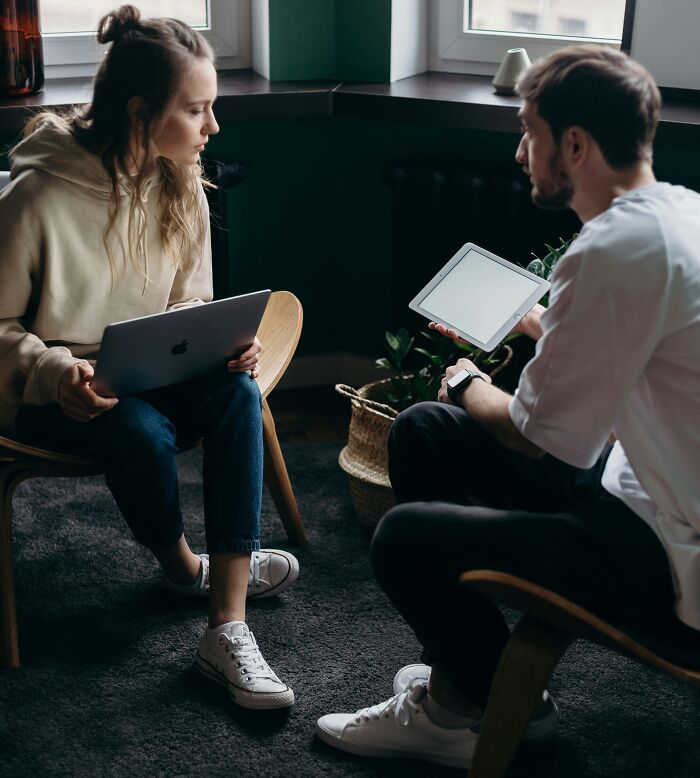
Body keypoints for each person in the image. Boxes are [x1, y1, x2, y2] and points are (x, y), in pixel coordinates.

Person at [317, 44, 700, 768]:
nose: (522, 151)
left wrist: (467, 381)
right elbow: (627, 347)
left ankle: (461, 713)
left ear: (576, 145)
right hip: (643, 491)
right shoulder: (677, 216)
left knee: (403, 536)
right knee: (426, 431)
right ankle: (477, 686)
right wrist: (539, 325)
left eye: (530, 131)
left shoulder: (611, 251)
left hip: (668, 561)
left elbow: (534, 439)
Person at [0, 5, 297, 710]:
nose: (213, 127)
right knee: (138, 429)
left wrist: (225, 347)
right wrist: (53, 373)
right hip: (53, 395)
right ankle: (182, 567)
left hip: (146, 373)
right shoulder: (36, 195)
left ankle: (225, 625)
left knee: (238, 395)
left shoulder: (180, 180)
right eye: (197, 110)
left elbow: (187, 308)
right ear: (140, 112)